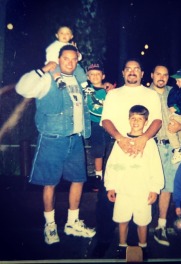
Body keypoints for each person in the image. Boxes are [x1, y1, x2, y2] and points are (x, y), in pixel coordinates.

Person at [15, 45, 96, 245]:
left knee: (78, 180)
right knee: (50, 183)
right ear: (58, 59)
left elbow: (91, 97)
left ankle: (72, 222)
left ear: (77, 60)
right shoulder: (47, 78)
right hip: (52, 139)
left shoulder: (78, 79)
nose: (69, 62)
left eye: (73, 59)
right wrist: (42, 69)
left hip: (75, 138)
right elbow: (21, 88)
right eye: (65, 58)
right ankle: (50, 226)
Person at [92, 58, 162, 258]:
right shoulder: (113, 95)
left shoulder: (151, 95)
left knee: (142, 197)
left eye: (136, 69)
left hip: (144, 145)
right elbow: (106, 119)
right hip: (118, 145)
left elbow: (157, 119)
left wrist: (144, 138)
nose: (132, 72)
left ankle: (141, 245)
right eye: (128, 69)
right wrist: (120, 138)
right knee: (108, 196)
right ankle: (105, 240)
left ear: (142, 73)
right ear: (123, 73)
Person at [104, 105, 164, 259]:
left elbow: (156, 167)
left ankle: (143, 246)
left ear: (146, 122)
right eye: (133, 118)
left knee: (142, 222)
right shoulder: (121, 142)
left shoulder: (150, 143)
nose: (136, 121)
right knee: (122, 220)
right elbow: (112, 165)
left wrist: (154, 189)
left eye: (140, 119)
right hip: (123, 190)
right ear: (128, 120)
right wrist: (110, 186)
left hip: (142, 191)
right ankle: (122, 246)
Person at [149, 64, 181, 247]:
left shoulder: (176, 92)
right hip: (152, 147)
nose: (161, 77)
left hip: (173, 147)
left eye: (165, 74)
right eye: (158, 74)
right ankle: (140, 226)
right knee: (149, 185)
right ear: (152, 75)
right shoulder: (144, 93)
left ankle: (160, 226)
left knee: (168, 187)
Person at [82, 62, 114, 191]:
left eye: (98, 74)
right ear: (87, 76)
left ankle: (110, 178)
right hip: (95, 124)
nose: (95, 76)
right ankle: (98, 177)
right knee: (98, 152)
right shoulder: (85, 90)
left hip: (109, 123)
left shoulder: (109, 91)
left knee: (110, 151)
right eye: (91, 74)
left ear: (103, 76)